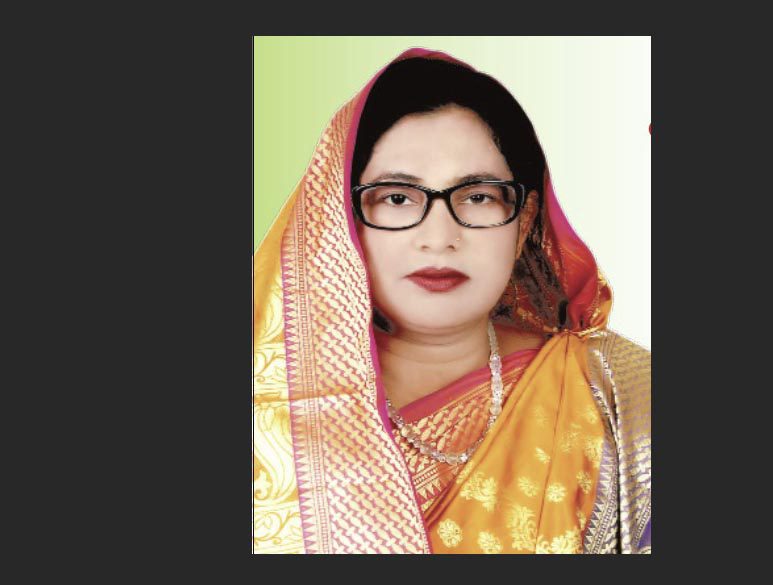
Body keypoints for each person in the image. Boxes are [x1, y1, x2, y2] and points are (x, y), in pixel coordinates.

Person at [253, 48, 650, 554]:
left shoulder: (616, 390)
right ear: (341, 222)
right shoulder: (269, 403)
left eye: (478, 196)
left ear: (524, 220)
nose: (439, 238)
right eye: (397, 198)